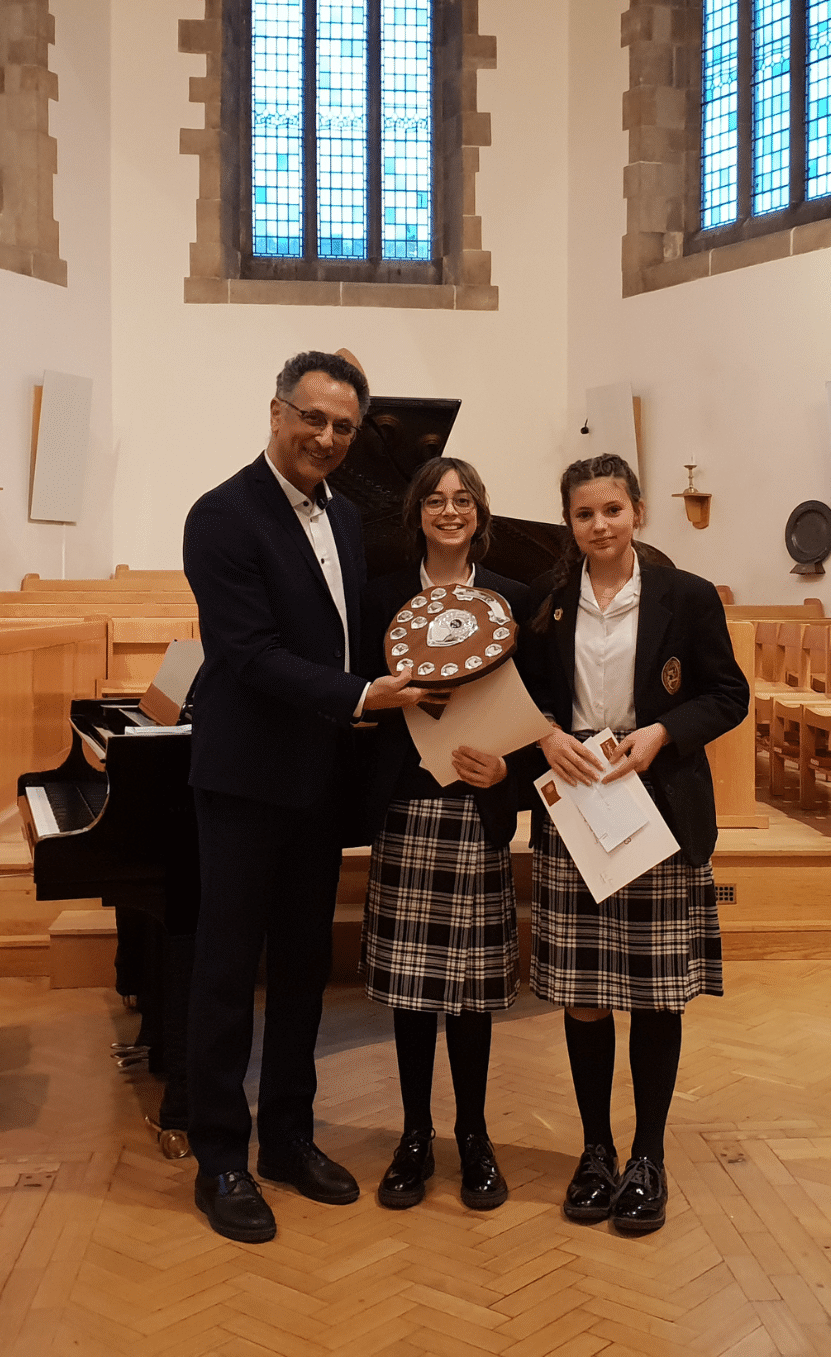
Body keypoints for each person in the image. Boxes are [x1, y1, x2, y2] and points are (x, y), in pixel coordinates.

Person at [181, 351, 427, 1244]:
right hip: (245, 781)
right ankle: (219, 1155)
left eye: (343, 428)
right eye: (312, 419)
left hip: (318, 782)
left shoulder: (351, 519)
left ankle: (288, 1135)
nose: (325, 438)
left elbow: (352, 636)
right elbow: (245, 653)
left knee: (300, 973)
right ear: (278, 410)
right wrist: (365, 696)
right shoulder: (221, 515)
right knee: (224, 972)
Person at [515, 454, 747, 1235]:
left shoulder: (685, 597)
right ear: (570, 523)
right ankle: (594, 1152)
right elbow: (528, 699)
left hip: (659, 800)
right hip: (577, 802)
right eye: (585, 515)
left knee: (654, 990)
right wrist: (547, 737)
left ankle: (648, 1155)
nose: (600, 525)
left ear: (638, 511)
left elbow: (727, 694)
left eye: (613, 509)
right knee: (583, 993)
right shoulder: (549, 601)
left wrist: (661, 734)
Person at [358, 458, 532, 1212]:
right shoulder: (380, 601)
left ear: (480, 512)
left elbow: (540, 719)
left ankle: (474, 1137)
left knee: (469, 994)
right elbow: (361, 708)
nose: (450, 510)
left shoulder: (517, 601)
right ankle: (414, 1137)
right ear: (417, 513)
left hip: (476, 810)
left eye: (463, 500)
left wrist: (508, 776)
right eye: (436, 499)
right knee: (411, 991)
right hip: (408, 806)